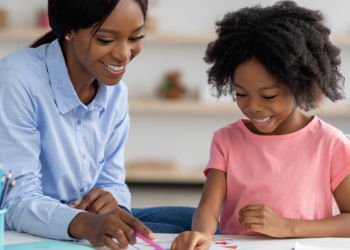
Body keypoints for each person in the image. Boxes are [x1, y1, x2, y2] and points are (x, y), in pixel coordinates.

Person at [0, 0, 198, 249]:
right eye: (106, 40)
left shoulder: (116, 94)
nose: (124, 54)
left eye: (135, 37)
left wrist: (113, 204)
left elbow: (113, 181)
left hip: (85, 221)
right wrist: (84, 223)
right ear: (69, 31)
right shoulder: (17, 80)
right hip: (27, 227)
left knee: (193, 221)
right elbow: (15, 201)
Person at [171, 1, 350, 249]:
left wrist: (287, 227)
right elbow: (209, 207)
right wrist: (202, 233)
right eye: (241, 93)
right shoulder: (226, 140)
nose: (253, 107)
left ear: (300, 86)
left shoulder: (330, 143)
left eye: (268, 96)